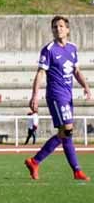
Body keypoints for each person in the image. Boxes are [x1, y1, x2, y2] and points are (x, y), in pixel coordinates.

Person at [24, 16, 91, 182]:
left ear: (67, 29)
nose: (57, 29)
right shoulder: (49, 49)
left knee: (65, 134)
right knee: (67, 130)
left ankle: (39, 162)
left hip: (68, 96)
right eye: (54, 27)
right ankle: (39, 162)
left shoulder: (73, 49)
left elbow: (76, 71)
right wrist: (34, 95)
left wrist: (86, 86)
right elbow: (40, 73)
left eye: (61, 26)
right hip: (56, 94)